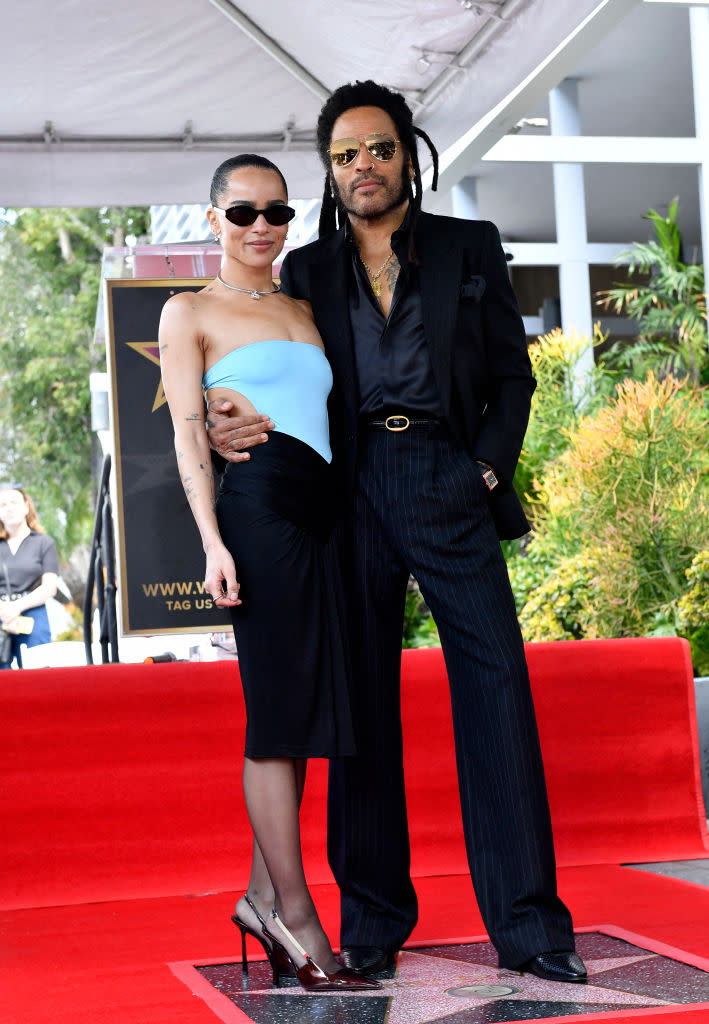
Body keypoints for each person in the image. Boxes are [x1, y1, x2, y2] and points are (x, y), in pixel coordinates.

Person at [206, 82, 588, 985]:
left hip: (448, 479)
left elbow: (512, 375)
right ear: (330, 172)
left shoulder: (468, 246)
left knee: (496, 690)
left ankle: (531, 927)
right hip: (346, 490)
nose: (362, 166)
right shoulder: (304, 269)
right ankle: (373, 918)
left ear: (404, 155)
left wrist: (485, 470)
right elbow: (265, 363)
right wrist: (223, 421)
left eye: (376, 149)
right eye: (344, 156)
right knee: (361, 706)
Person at [158, 154, 378, 992]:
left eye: (278, 212)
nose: (262, 227)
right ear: (212, 218)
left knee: (307, 713)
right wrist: (213, 543)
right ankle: (295, 913)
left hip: (326, 518)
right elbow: (185, 434)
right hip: (260, 512)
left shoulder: (303, 306)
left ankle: (259, 898)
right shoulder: (189, 311)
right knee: (279, 716)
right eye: (244, 211)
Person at [0, 486, 59, 670]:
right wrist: (5, 612)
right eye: (3, 504)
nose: (9, 508)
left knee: (38, 678)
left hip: (33, 616)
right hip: (1, 613)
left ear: (26, 507)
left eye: (14, 502)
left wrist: (16, 608)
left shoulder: (44, 543)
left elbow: (49, 587)